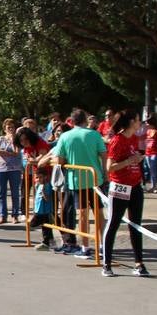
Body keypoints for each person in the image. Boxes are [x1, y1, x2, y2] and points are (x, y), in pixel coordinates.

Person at [50, 109, 107, 257]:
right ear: (85, 120)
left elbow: (60, 160)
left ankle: (85, 247)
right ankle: (103, 244)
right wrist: (104, 173)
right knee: (99, 212)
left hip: (76, 180)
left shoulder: (65, 136)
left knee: (82, 214)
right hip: (96, 178)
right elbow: (103, 154)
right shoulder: (95, 134)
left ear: (72, 121)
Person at [101, 111, 148, 278]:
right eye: (137, 120)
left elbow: (136, 155)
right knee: (113, 223)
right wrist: (129, 161)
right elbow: (110, 167)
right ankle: (106, 263)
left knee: (136, 224)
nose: (140, 123)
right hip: (120, 186)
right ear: (130, 122)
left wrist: (138, 158)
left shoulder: (134, 138)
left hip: (135, 186)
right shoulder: (117, 140)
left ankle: (139, 263)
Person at [0, 118, 23, 225]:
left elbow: (16, 152)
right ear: (5, 128)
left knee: (15, 192)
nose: (10, 129)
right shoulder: (1, 138)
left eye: (12, 127)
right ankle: (3, 215)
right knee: (1, 193)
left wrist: (12, 140)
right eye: (8, 127)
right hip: (1, 168)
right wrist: (8, 153)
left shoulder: (17, 139)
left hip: (14, 168)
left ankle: (15, 215)